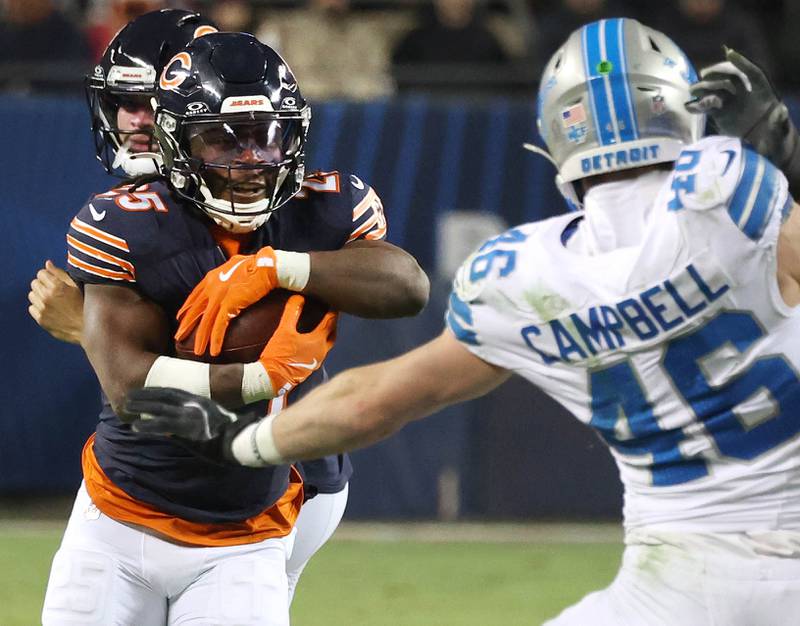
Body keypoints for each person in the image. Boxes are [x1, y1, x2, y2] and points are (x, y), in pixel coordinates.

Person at [128, 18, 800, 625]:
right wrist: (785, 164)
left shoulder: (527, 277)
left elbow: (372, 402)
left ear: (558, 133)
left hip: (671, 587)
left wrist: (241, 445)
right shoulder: (731, 190)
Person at [40, 30, 429, 626]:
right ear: (177, 143)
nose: (249, 159)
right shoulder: (128, 221)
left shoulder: (322, 210)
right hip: (120, 514)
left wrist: (279, 267)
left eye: (264, 137)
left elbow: (408, 286)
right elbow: (131, 390)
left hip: (252, 525)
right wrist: (258, 378)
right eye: (221, 139)